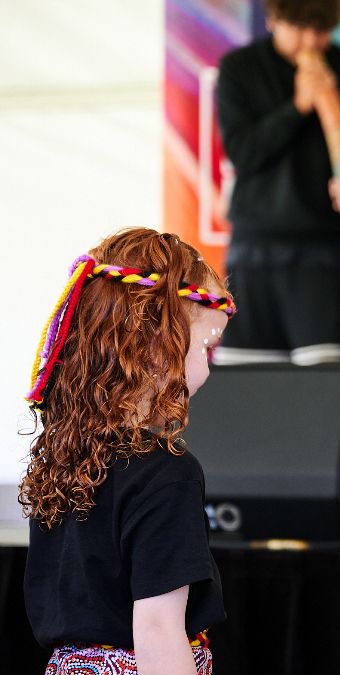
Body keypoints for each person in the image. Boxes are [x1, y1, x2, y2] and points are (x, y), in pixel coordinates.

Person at [21, 228, 233, 674]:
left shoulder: (66, 460)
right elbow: (158, 631)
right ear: (155, 347)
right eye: (206, 348)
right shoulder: (168, 474)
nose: (208, 368)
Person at [215, 0, 340, 366]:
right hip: (254, 251)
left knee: (325, 380)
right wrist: (297, 107)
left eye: (320, 30)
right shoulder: (240, 69)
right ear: (273, 19)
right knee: (247, 380)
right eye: (299, 28)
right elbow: (242, 152)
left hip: (327, 255)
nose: (310, 41)